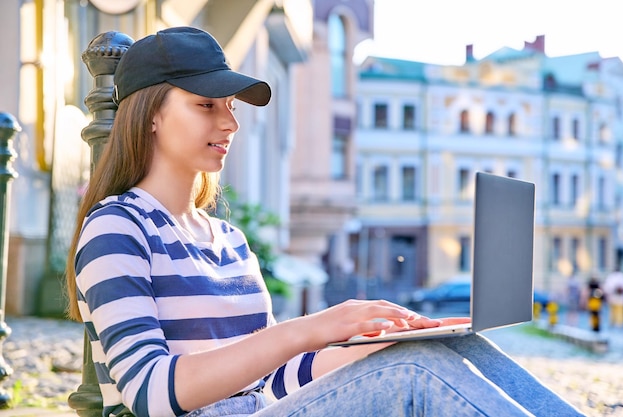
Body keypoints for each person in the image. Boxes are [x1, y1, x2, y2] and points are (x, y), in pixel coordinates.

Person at [65, 26, 584, 417]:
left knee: (441, 350)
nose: (230, 122)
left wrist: (370, 348)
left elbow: (270, 379)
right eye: (206, 105)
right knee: (417, 374)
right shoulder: (118, 228)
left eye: (228, 105)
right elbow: (151, 393)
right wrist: (313, 328)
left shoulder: (226, 238)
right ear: (150, 113)